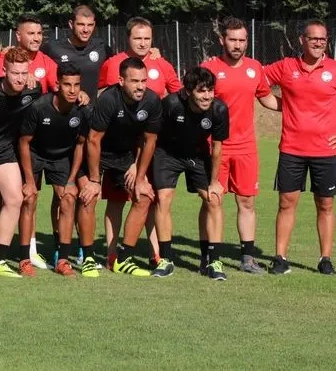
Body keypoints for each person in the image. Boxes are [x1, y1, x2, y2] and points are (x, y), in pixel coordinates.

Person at [264, 20, 336, 275]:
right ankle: (280, 258)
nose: (318, 43)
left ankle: (325, 259)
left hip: (326, 151)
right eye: (313, 38)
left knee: (326, 205)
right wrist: (281, 106)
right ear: (302, 40)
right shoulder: (286, 66)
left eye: (323, 39)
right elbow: (257, 81)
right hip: (292, 149)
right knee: (286, 203)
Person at [98, 17, 180, 268]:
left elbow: (176, 96)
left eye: (147, 38)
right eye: (138, 38)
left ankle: (154, 253)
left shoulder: (161, 65)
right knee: (116, 200)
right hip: (118, 147)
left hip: (149, 146)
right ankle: (112, 254)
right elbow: (102, 94)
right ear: (128, 39)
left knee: (148, 197)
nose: (143, 43)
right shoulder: (113, 64)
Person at [200, 18, 280, 273]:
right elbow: (194, 101)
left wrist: (299, 105)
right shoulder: (209, 67)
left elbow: (266, 98)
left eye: (242, 40)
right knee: (212, 201)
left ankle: (247, 258)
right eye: (232, 40)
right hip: (216, 147)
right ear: (222, 40)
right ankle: (208, 256)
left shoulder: (255, 68)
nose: (237, 45)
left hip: (246, 148)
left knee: (247, 202)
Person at [84, 57, 162, 277]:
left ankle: (123, 257)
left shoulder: (152, 101)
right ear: (121, 80)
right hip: (98, 153)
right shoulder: (108, 100)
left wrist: (139, 172)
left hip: (126, 156)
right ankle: (89, 257)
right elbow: (93, 140)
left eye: (144, 80)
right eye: (134, 81)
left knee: (144, 196)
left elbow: (149, 141)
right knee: (89, 197)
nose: (140, 86)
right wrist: (93, 179)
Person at [151, 67, 230, 280]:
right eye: (201, 91)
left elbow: (217, 147)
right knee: (163, 198)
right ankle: (166, 259)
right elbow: (151, 136)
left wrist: (214, 182)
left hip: (197, 154)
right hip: (167, 154)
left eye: (210, 91)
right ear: (187, 92)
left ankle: (213, 260)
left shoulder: (219, 110)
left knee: (213, 199)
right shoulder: (171, 104)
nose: (207, 96)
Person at [19, 62, 94, 278]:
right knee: (29, 198)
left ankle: (63, 259)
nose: (72, 90)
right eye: (67, 84)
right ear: (57, 85)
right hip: (35, 154)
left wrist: (71, 180)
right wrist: (28, 180)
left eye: (76, 85)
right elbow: (24, 143)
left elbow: (80, 145)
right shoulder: (38, 107)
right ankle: (25, 258)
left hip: (61, 157)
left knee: (69, 199)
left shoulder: (82, 111)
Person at [0, 48, 41, 278]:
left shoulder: (33, 91)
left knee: (15, 198)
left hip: (3, 150)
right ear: (3, 70)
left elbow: (59, 93)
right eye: (15, 73)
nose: (20, 78)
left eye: (24, 73)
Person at [12, 14, 61, 269]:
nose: (36, 38)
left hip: (39, 142)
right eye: (30, 33)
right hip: (11, 140)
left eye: (39, 33)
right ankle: (4, 248)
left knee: (34, 196)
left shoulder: (47, 63)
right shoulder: (6, 59)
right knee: (14, 197)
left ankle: (31, 250)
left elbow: (59, 92)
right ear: (18, 35)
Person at [43, 5, 113, 101]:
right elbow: (33, 62)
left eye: (90, 25)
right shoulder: (53, 48)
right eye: (81, 24)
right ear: (71, 24)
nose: (86, 30)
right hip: (62, 112)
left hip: (90, 111)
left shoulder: (101, 46)